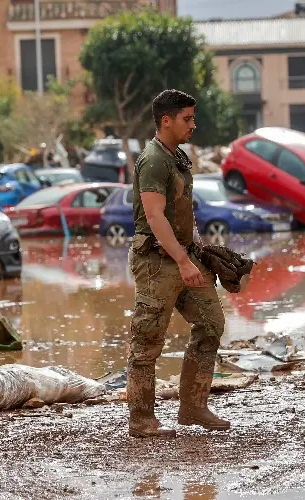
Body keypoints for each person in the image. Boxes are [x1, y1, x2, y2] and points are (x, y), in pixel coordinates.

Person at [127, 89, 228, 438]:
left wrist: (200, 249)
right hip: (157, 261)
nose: (193, 125)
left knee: (211, 323)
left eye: (193, 118)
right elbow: (154, 216)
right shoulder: (153, 159)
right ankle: (142, 420)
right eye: (187, 118)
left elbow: (184, 212)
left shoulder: (178, 157)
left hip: (184, 256)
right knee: (147, 339)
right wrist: (184, 261)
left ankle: (193, 407)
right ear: (165, 120)